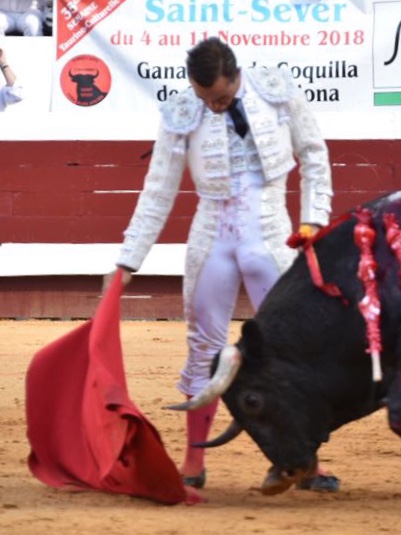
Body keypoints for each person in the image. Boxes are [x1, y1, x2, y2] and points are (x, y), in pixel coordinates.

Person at [103, 38, 339, 493]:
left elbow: (313, 153)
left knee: (292, 350)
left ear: (236, 77)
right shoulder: (182, 111)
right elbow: (158, 190)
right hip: (212, 237)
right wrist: (128, 258)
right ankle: (195, 461)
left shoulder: (276, 90)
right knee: (202, 348)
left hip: (271, 234)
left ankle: (307, 460)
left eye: (221, 98)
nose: (211, 106)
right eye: (203, 97)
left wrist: (313, 220)